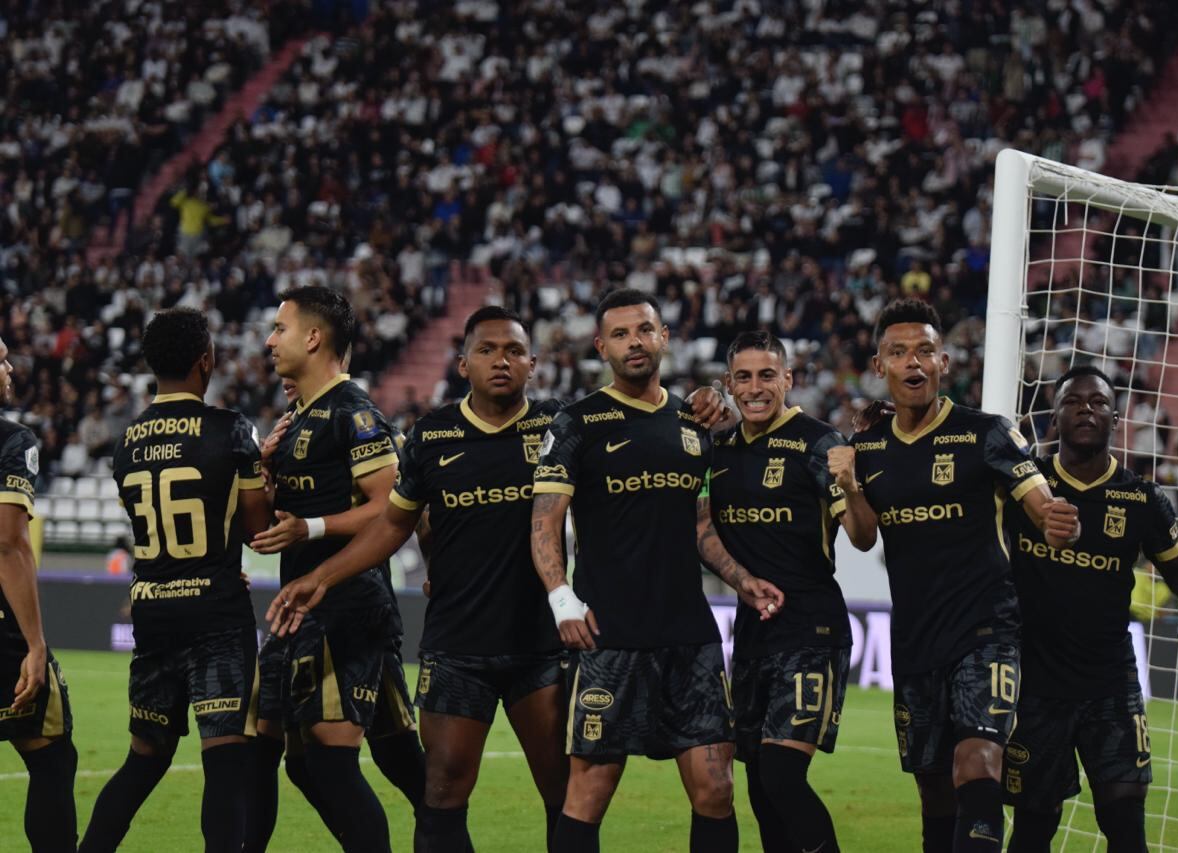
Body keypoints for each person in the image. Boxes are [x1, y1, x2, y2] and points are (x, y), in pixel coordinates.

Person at [266, 304, 734, 852]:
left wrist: (711, 401)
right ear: (463, 365)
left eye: (514, 351)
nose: (501, 361)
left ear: (533, 364)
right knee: (442, 792)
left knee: (563, 795)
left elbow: (640, 416)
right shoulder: (432, 436)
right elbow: (394, 524)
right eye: (486, 350)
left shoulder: (560, 425)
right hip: (458, 643)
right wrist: (324, 575)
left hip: (542, 644)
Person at [530, 288, 784, 853]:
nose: (634, 343)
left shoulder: (693, 424)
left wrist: (742, 580)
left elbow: (701, 528)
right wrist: (561, 597)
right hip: (608, 633)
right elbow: (544, 524)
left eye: (644, 330)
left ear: (664, 337)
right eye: (619, 334)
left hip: (687, 635)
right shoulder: (577, 424)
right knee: (589, 792)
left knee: (717, 791)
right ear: (601, 347)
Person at [827, 298, 1080, 853]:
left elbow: (1040, 503)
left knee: (978, 759)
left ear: (944, 362)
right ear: (879, 367)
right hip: (916, 637)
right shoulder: (866, 448)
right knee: (934, 790)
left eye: (924, 351)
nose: (912, 363)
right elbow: (864, 536)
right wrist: (849, 484)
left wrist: (1056, 518)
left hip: (987, 628)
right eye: (898, 353)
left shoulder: (985, 433)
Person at [1003, 365, 1178, 853]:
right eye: (1073, 401)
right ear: (1055, 417)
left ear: (1116, 419)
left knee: (1126, 824)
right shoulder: (1026, 488)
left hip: (1110, 685)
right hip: (1036, 686)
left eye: (1098, 402)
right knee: (1033, 829)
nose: (1086, 409)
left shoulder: (1142, 498)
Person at [80, 308, 272, 852]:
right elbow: (258, 531)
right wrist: (263, 471)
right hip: (215, 615)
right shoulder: (231, 429)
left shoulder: (127, 442)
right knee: (225, 765)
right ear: (205, 361)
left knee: (142, 760)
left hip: (153, 614)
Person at [247, 285, 409, 853]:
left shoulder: (354, 413)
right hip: (301, 606)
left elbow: (391, 508)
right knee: (284, 758)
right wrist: (265, 477)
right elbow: (274, 525)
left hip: (346, 606)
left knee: (332, 764)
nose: (270, 341)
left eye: (280, 328)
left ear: (313, 337)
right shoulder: (297, 418)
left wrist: (310, 528)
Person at [710, 330, 852, 853]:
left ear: (788, 379)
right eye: (742, 377)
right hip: (751, 633)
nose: (755, 387)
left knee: (783, 774)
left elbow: (860, 535)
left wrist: (854, 488)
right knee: (760, 786)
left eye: (767, 375)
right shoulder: (718, 448)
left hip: (811, 626)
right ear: (728, 384)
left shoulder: (819, 443)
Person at [0, 334, 78, 853]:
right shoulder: (13, 440)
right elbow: (8, 544)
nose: (9, 367)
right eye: (0, 359)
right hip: (4, 638)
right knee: (52, 756)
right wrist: (35, 643)